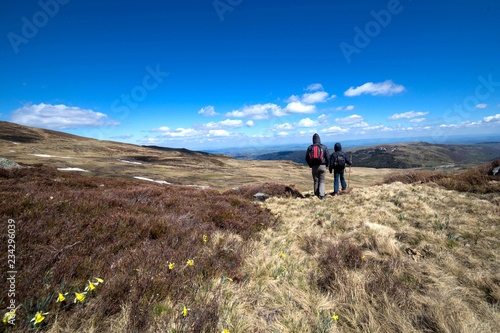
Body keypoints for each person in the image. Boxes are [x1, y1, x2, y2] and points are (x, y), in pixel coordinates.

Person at [305, 133, 329, 199]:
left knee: (316, 182)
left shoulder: (310, 148)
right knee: (322, 181)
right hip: (323, 166)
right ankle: (322, 195)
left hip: (314, 166)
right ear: (319, 139)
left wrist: (311, 165)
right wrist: (326, 165)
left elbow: (307, 158)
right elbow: (327, 158)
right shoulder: (324, 147)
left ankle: (316, 195)